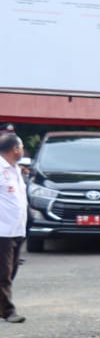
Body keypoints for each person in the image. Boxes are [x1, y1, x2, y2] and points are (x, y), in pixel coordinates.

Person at [1, 129, 28, 323]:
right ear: (14, 148)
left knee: (11, 271)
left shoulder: (16, 170)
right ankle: (8, 311)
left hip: (17, 228)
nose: (23, 151)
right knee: (3, 272)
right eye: (21, 147)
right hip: (2, 230)